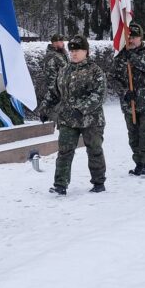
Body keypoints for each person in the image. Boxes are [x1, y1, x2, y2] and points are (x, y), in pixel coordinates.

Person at [42, 36, 107, 194]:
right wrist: (45, 107)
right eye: (71, 51)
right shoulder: (64, 70)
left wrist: (81, 109)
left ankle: (98, 182)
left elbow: (99, 95)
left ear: (86, 51)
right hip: (67, 118)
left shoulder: (95, 70)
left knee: (94, 150)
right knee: (64, 151)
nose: (74, 54)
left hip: (90, 119)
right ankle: (60, 184)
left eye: (77, 50)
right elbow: (55, 91)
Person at [110, 21, 145, 176]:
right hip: (129, 103)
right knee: (133, 135)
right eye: (129, 37)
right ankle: (138, 162)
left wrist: (133, 57)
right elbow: (112, 78)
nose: (131, 40)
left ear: (141, 38)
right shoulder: (121, 56)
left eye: (134, 37)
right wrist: (125, 91)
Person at [38, 34, 68, 120]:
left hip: (62, 89)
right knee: (50, 113)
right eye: (61, 41)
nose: (63, 43)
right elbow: (51, 78)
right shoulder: (52, 56)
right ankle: (45, 117)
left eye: (63, 41)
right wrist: (59, 93)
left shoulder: (61, 53)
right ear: (54, 43)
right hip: (56, 92)